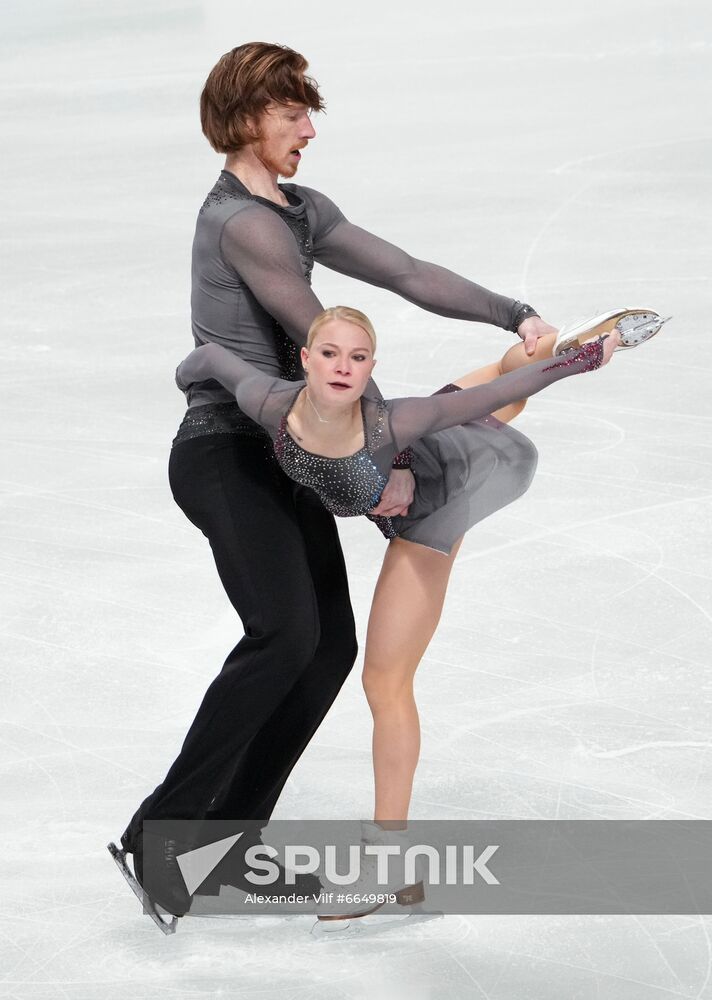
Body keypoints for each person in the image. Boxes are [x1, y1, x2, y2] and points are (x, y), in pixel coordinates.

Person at [110, 40, 565, 930]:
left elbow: (404, 274)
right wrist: (383, 454)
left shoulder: (301, 208)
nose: (308, 129)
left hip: (288, 455)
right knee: (283, 636)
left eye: (306, 113)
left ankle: (226, 847)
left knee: (325, 650)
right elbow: (327, 345)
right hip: (226, 450)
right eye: (290, 115)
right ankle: (156, 838)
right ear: (246, 121)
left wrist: (512, 313)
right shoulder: (240, 221)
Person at [174, 304, 656, 924]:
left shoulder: (396, 420)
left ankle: (388, 863)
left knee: (385, 680)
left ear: (373, 368)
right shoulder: (272, 403)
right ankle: (559, 335)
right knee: (491, 384)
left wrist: (582, 360)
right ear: (304, 359)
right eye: (329, 354)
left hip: (447, 489)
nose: (343, 368)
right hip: (442, 445)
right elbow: (210, 358)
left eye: (358, 358)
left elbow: (518, 386)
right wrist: (187, 380)